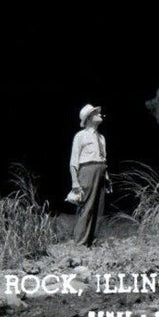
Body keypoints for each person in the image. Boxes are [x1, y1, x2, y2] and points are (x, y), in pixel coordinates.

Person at [69, 103, 108, 247]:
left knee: (99, 207)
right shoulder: (80, 136)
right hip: (87, 170)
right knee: (86, 206)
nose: (100, 115)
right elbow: (73, 161)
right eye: (96, 114)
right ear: (89, 118)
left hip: (101, 171)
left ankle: (91, 241)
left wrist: (107, 177)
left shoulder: (101, 138)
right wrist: (75, 182)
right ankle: (80, 243)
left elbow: (103, 157)